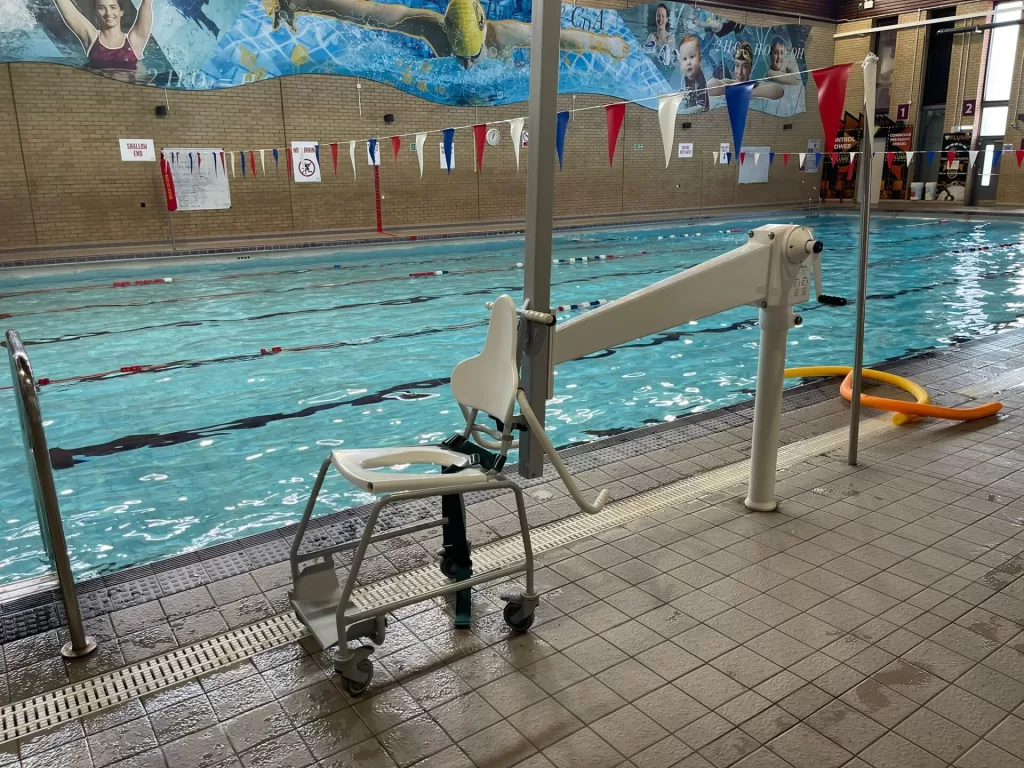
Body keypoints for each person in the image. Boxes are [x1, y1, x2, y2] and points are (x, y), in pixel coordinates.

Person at [268, 0, 630, 69]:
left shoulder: (506, 35)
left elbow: (559, 39)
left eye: (470, 57)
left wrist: (605, 43)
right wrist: (300, 2)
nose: (467, 66)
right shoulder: (432, 28)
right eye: (459, 57)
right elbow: (369, 15)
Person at [53, 0, 152, 71]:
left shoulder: (134, 42)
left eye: (113, 7)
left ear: (121, 11)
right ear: (96, 12)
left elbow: (146, 3)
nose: (108, 13)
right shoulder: (91, 39)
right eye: (101, 8)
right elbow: (72, 14)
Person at [708, 41, 783, 100]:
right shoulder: (728, 83)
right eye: (737, 65)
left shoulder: (755, 85)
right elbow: (709, 87)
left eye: (745, 66)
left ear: (751, 68)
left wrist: (744, 91)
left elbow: (778, 91)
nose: (739, 73)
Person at [677, 35, 713, 112]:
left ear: (700, 60)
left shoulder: (700, 81)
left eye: (692, 57)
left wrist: (685, 112)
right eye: (685, 59)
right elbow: (688, 92)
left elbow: (701, 107)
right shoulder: (687, 76)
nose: (688, 62)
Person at [643, 3, 676, 69]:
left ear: (666, 19)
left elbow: (671, 61)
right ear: (655, 18)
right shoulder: (652, 36)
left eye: (663, 16)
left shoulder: (670, 38)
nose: (660, 19)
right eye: (658, 16)